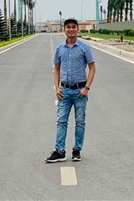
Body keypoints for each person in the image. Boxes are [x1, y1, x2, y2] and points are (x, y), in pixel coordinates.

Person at [45, 18, 96, 163]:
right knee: (61, 121)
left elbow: (92, 68)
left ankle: (76, 150)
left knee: (80, 121)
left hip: (80, 91)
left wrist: (86, 88)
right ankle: (59, 151)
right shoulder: (60, 48)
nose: (71, 29)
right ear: (64, 30)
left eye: (74, 27)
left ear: (77, 29)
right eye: (68, 27)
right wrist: (57, 88)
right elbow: (56, 68)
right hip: (64, 91)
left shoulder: (85, 48)